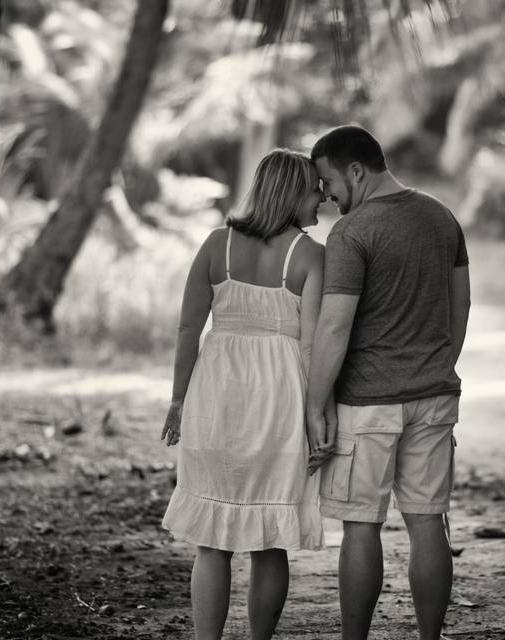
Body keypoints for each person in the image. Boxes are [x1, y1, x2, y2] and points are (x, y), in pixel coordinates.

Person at [306, 125, 471, 640]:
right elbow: (460, 304)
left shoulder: (352, 234)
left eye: (330, 182)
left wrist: (315, 404)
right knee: (428, 522)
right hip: (435, 396)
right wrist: (438, 363)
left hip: (367, 404)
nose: (328, 196)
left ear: (357, 170)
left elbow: (334, 326)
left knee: (361, 525)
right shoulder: (442, 217)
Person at [160, 148, 332, 640]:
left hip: (216, 396)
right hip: (278, 400)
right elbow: (311, 344)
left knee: (211, 542)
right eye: (312, 188)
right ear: (290, 193)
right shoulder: (310, 255)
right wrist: (315, 414)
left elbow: (188, 328)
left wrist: (178, 401)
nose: (321, 196)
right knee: (269, 541)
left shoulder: (217, 245)